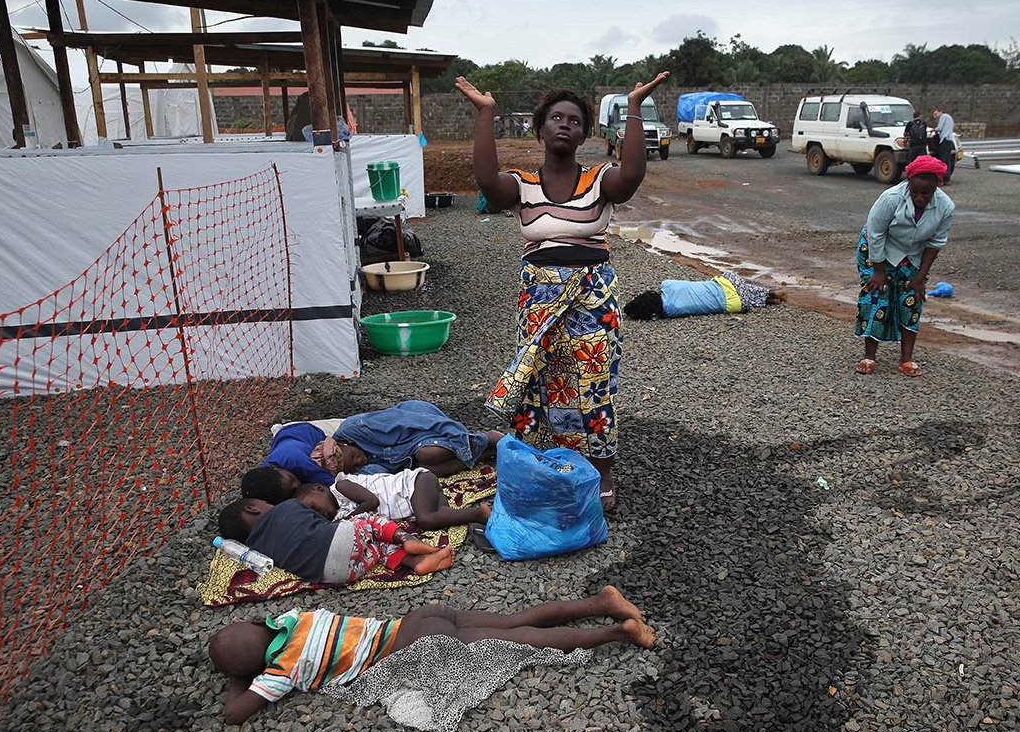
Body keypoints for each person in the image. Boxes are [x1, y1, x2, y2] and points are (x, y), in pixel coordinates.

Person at [455, 70, 671, 510]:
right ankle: (539, 466)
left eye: (574, 120)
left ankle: (602, 472)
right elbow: (485, 181)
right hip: (539, 301)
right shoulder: (521, 186)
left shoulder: (599, 180)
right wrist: (485, 113)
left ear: (583, 134)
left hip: (593, 301)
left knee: (594, 385)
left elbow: (631, 176)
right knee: (537, 384)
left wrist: (633, 109)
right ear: (541, 128)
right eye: (556, 117)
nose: (565, 124)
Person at [207, 585, 655, 724]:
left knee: (523, 642)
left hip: (414, 651)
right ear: (260, 625)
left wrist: (240, 676)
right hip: (415, 620)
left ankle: (617, 632)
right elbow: (257, 632)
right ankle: (600, 602)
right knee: (515, 619)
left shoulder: (281, 670)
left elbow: (235, 714)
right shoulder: (295, 618)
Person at [245, 401, 504, 493]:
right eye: (356, 465)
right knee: (426, 470)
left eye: (354, 456)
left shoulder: (355, 428)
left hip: (423, 424)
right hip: (411, 454)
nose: (360, 461)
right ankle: (487, 452)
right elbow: (378, 480)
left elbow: (413, 422)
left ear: (344, 443)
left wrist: (459, 435)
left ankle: (484, 437)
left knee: (430, 454)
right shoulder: (359, 469)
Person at [216, 488, 454, 585]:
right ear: (253, 509)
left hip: (336, 575)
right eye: (265, 503)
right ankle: (406, 540)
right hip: (338, 542)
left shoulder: (258, 550)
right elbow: (326, 525)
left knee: (376, 547)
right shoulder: (287, 506)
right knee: (370, 522)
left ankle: (417, 563)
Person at [854, 154, 955, 377]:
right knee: (877, 296)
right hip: (878, 250)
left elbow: (935, 242)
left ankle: (906, 359)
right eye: (915, 192)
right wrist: (879, 270)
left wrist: (920, 278)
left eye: (926, 193)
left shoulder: (945, 206)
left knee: (911, 300)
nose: (920, 197)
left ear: (936, 188)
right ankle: (869, 356)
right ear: (908, 184)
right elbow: (876, 233)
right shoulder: (891, 198)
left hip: (913, 253)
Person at [297, 468, 491, 530]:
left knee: (426, 520)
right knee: (442, 516)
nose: (319, 513)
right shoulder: (340, 513)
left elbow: (371, 502)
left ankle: (478, 513)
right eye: (314, 515)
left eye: (313, 506)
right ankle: (475, 516)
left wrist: (345, 522)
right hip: (419, 498)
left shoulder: (341, 486)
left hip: (415, 483)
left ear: (318, 488)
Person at [623, 270, 785, 320]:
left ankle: (770, 301)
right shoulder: (667, 284)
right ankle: (770, 293)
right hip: (729, 282)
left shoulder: (669, 311)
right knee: (735, 287)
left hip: (735, 305)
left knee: (741, 299)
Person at [932, 108, 956, 185]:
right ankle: (947, 178)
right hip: (950, 141)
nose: (935, 116)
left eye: (936, 114)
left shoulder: (944, 116)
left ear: (940, 112)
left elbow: (939, 128)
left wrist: (933, 130)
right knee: (947, 160)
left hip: (945, 140)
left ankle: (941, 179)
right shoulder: (949, 118)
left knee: (942, 160)